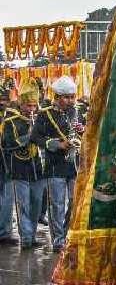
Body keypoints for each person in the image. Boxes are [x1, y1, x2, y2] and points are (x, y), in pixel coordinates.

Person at [32, 76, 80, 251]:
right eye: (66, 97)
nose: (69, 100)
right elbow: (35, 137)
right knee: (57, 204)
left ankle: (67, 233)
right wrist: (58, 144)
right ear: (57, 97)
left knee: (75, 202)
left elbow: (81, 131)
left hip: (74, 165)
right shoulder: (45, 114)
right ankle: (58, 241)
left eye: (72, 97)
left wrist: (82, 132)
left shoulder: (76, 111)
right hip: (54, 166)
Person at [1, 84, 43, 249]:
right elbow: (7, 144)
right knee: (23, 205)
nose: (31, 109)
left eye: (34, 106)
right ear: (21, 104)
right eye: (28, 105)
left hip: (38, 169)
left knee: (37, 203)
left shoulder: (41, 119)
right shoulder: (11, 121)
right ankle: (26, 238)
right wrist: (29, 136)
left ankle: (32, 236)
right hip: (19, 168)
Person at [0, 85, 15, 246]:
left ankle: (5, 232)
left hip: (8, 161)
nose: (3, 103)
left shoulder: (12, 116)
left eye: (5, 99)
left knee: (7, 197)